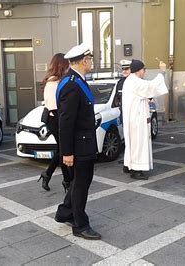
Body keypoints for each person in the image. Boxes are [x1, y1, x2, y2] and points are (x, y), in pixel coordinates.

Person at [54, 43, 101, 240]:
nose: (91, 61)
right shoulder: (72, 84)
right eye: (90, 59)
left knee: (78, 183)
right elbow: (65, 122)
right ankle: (80, 225)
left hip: (84, 141)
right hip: (79, 145)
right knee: (81, 184)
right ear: (83, 61)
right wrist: (67, 152)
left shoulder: (75, 80)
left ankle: (65, 212)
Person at [122, 59, 168, 179]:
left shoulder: (131, 80)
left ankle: (128, 165)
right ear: (138, 70)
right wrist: (162, 72)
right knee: (138, 144)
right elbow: (151, 86)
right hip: (137, 120)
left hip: (133, 118)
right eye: (144, 69)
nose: (144, 72)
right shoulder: (135, 82)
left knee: (132, 143)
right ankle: (136, 170)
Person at [38, 53, 72, 192]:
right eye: (67, 64)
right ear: (61, 65)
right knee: (63, 151)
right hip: (55, 119)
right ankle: (67, 181)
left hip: (58, 118)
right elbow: (54, 107)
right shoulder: (52, 83)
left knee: (60, 151)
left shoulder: (58, 81)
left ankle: (48, 174)